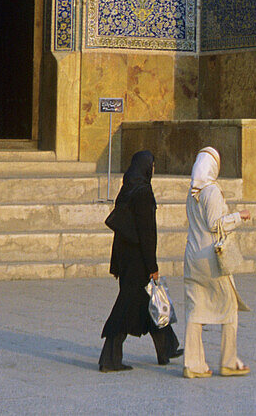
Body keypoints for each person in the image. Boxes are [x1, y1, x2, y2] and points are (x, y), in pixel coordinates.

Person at [99, 149, 182, 372]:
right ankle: (109, 358)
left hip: (126, 260)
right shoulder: (143, 193)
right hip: (138, 261)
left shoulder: (127, 190)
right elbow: (147, 234)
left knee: (150, 301)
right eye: (152, 166)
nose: (153, 170)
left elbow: (120, 233)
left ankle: (167, 347)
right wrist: (152, 266)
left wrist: (116, 264)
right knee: (126, 306)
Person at [183, 146, 251, 378]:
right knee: (230, 306)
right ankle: (229, 361)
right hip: (211, 258)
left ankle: (193, 364)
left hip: (192, 256)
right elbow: (215, 224)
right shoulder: (210, 191)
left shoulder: (193, 193)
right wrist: (239, 217)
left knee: (195, 310)